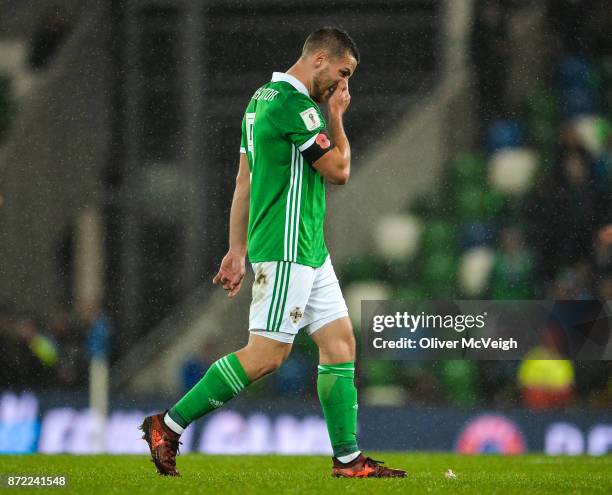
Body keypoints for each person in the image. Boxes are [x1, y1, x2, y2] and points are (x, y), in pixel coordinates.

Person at [140, 26, 406, 478]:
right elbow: (339, 170)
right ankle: (167, 424)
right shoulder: (294, 107)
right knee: (266, 356)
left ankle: (347, 459)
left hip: (308, 248)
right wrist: (338, 117)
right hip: (286, 248)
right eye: (342, 74)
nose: (343, 87)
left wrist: (235, 250)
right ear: (320, 58)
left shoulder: (259, 99)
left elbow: (244, 180)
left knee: (340, 344)